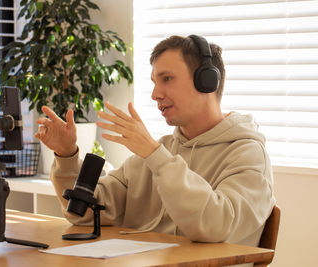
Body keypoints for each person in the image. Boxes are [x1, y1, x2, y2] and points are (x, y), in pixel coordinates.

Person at [35, 35, 276, 247]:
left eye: (167, 79)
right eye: (154, 82)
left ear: (207, 82)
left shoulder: (248, 154)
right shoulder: (158, 152)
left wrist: (156, 156)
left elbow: (214, 225)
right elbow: (85, 214)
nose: (155, 94)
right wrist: (66, 156)